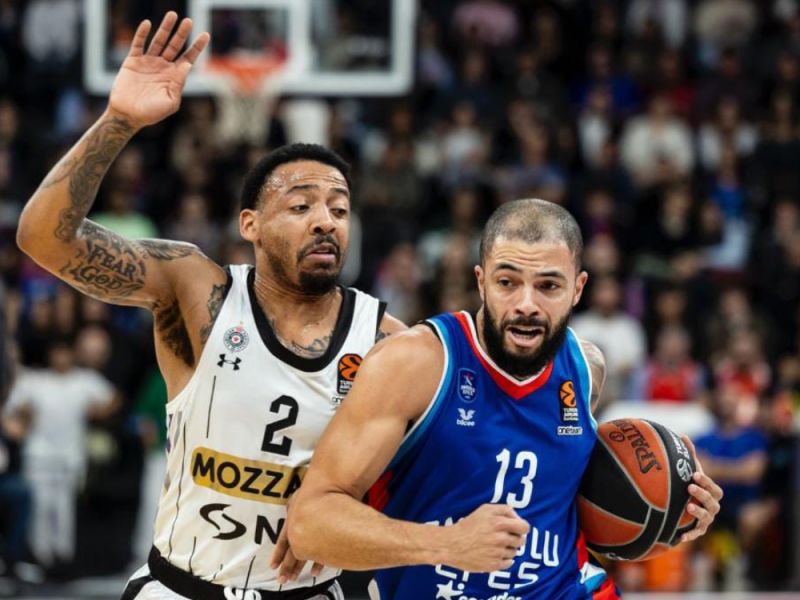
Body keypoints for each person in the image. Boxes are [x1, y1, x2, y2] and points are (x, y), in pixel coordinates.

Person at [15, 12, 405, 600]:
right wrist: (119, 121)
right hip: (183, 587)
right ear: (250, 224)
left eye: (339, 208)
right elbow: (43, 238)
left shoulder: (385, 339)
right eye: (301, 206)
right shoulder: (196, 290)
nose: (326, 220)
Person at [288, 199, 723, 600]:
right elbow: (309, 524)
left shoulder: (585, 367)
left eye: (548, 285)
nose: (526, 304)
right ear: (481, 282)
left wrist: (674, 511)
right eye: (507, 282)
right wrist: (446, 544)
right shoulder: (417, 362)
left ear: (578, 289)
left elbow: (570, 496)